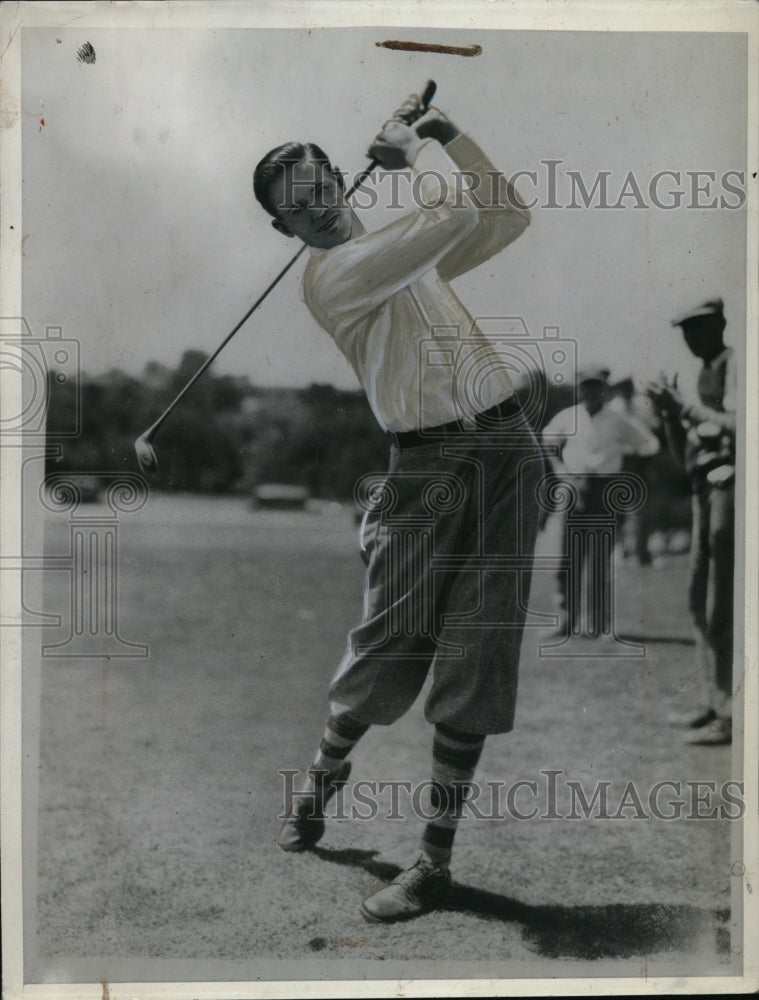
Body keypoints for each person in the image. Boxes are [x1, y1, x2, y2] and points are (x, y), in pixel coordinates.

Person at [253, 94, 542, 922]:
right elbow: (446, 208)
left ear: (341, 183)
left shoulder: (401, 254)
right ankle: (319, 781)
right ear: (285, 232)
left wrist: (447, 133)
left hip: (507, 452)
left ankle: (432, 862)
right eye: (296, 208)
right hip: (424, 467)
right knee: (387, 651)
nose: (316, 209)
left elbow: (503, 211)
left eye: (320, 188)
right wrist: (412, 151)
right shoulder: (339, 276)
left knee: (475, 653)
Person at [647, 299, 736, 745]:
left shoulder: (735, 365)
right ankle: (714, 703)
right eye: (686, 330)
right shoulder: (702, 374)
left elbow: (743, 425)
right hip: (705, 487)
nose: (692, 337)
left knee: (723, 605)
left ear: (720, 324)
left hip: (733, 486)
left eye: (699, 327)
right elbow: (684, 457)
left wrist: (685, 406)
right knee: (699, 601)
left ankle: (730, 712)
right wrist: (668, 412)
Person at [541, 365, 659, 637]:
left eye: (596, 386)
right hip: (574, 487)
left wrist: (626, 466)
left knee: (599, 558)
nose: (591, 392)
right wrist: (561, 470)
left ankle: (597, 621)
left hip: (605, 488)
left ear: (603, 388)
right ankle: (566, 618)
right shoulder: (568, 417)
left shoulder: (617, 419)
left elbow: (650, 443)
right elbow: (547, 440)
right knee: (568, 556)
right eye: (585, 386)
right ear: (579, 388)